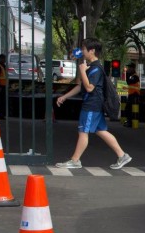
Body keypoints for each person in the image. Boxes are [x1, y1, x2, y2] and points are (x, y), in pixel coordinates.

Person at [55, 38, 132, 170]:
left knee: (83, 131)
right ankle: (122, 155)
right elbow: (81, 86)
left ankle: (75, 160)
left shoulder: (96, 68)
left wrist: (83, 71)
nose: (82, 52)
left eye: (84, 49)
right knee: (101, 130)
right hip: (94, 104)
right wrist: (65, 96)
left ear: (92, 51)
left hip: (92, 105)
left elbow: (89, 87)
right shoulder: (91, 67)